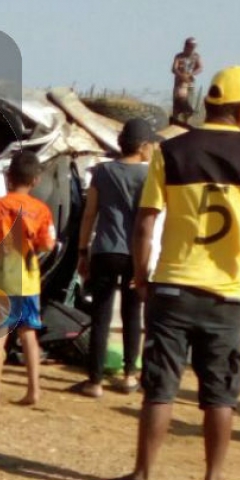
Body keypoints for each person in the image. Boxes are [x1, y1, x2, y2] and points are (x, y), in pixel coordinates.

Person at [103, 66, 240, 480]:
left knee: (160, 388)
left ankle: (142, 476)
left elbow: (146, 221)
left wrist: (142, 274)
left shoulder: (170, 152)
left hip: (172, 288)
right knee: (220, 394)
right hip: (226, 295)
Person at [75, 119, 161, 398]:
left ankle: (95, 381)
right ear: (144, 146)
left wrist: (82, 250)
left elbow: (90, 214)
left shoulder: (102, 171)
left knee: (100, 315)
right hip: (137, 253)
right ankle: (128, 376)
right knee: (132, 314)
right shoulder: (150, 176)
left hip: (105, 250)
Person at [0, 150, 56, 406]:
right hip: (29, 279)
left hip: (2, 278)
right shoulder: (42, 210)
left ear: (8, 177)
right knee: (28, 333)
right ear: (36, 181)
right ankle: (33, 391)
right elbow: (48, 244)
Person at [170, 37, 203, 126]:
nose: (192, 49)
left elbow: (200, 67)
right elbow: (174, 68)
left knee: (189, 106)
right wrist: (181, 76)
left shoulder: (196, 56)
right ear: (186, 46)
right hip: (179, 85)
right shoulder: (179, 56)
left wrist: (191, 74)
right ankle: (175, 124)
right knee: (177, 105)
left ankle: (186, 124)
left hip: (190, 84)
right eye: (190, 46)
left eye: (193, 47)